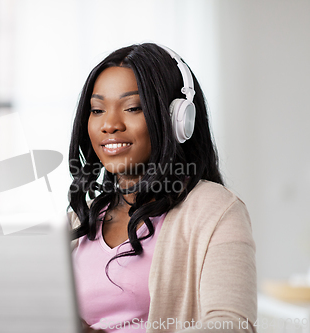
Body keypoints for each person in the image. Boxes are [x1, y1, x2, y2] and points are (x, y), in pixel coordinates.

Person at [68, 43, 257, 333]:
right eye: (97, 109)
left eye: (132, 108)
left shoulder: (215, 210)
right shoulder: (81, 218)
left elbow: (232, 326)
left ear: (177, 118)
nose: (109, 124)